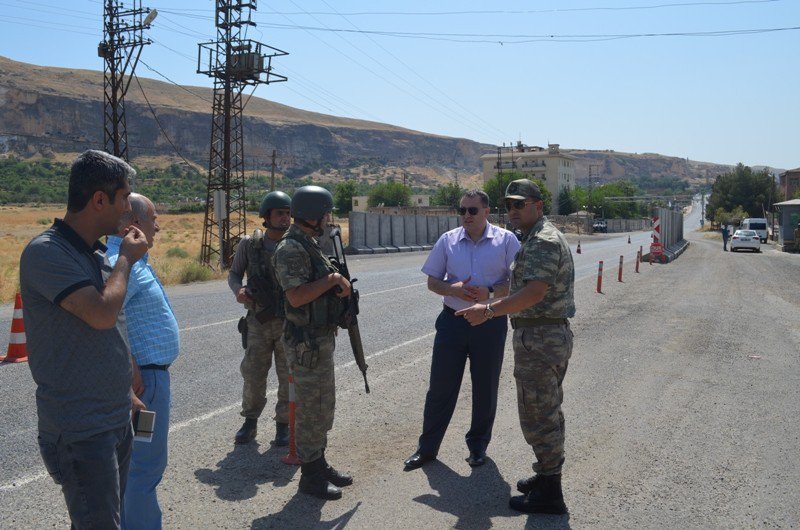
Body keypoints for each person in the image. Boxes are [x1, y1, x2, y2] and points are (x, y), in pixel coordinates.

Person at [19, 150, 149, 529]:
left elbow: (111, 332)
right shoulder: (47, 253)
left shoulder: (93, 254)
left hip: (113, 417)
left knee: (107, 520)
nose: (128, 209)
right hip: (80, 429)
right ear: (98, 200)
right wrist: (126, 258)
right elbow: (101, 313)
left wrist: (126, 391)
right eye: (124, 198)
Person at [457, 179, 575, 515]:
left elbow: (534, 293)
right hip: (541, 337)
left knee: (540, 415)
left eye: (519, 204)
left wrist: (490, 310)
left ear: (538, 205)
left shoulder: (543, 241)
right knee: (543, 411)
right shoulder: (536, 237)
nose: (512, 211)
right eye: (509, 205)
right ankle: (545, 475)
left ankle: (551, 491)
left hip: (540, 339)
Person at [404, 189, 520, 471]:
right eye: (462, 210)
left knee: (485, 387)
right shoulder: (448, 240)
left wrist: (490, 290)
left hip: (490, 321)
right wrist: (451, 287)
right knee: (440, 387)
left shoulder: (507, 241)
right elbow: (433, 282)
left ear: (486, 212)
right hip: (452, 321)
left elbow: (518, 283)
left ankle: (478, 446)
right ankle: (427, 448)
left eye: (472, 210)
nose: (466, 216)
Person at [106, 193, 181, 530]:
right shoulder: (126, 264)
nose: (158, 225)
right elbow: (105, 317)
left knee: (136, 464)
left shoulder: (129, 260)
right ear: (134, 223)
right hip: (145, 385)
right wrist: (129, 364)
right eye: (153, 219)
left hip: (147, 379)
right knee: (144, 466)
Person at [273, 185, 353, 501]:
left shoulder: (309, 244)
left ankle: (319, 463)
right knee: (310, 408)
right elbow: (296, 295)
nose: (329, 218)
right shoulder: (291, 248)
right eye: (326, 212)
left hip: (318, 339)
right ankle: (310, 477)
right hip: (306, 344)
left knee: (322, 406)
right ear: (313, 215)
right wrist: (332, 281)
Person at [228, 191, 292, 445]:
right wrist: (239, 291)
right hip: (257, 322)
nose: (285, 218)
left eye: (288, 213)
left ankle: (283, 425)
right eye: (279, 213)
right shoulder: (250, 244)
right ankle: (250, 421)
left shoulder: (295, 244)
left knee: (288, 375)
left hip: (288, 321)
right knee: (253, 374)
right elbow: (234, 274)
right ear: (267, 216)